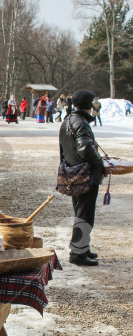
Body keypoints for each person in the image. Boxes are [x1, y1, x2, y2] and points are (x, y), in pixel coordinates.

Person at [59, 89, 104, 267]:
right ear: (88, 105)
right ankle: (77, 253)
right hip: (85, 174)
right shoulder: (81, 122)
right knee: (84, 215)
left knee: (81, 213)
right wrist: (99, 161)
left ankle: (82, 248)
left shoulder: (68, 119)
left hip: (73, 172)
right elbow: (85, 149)